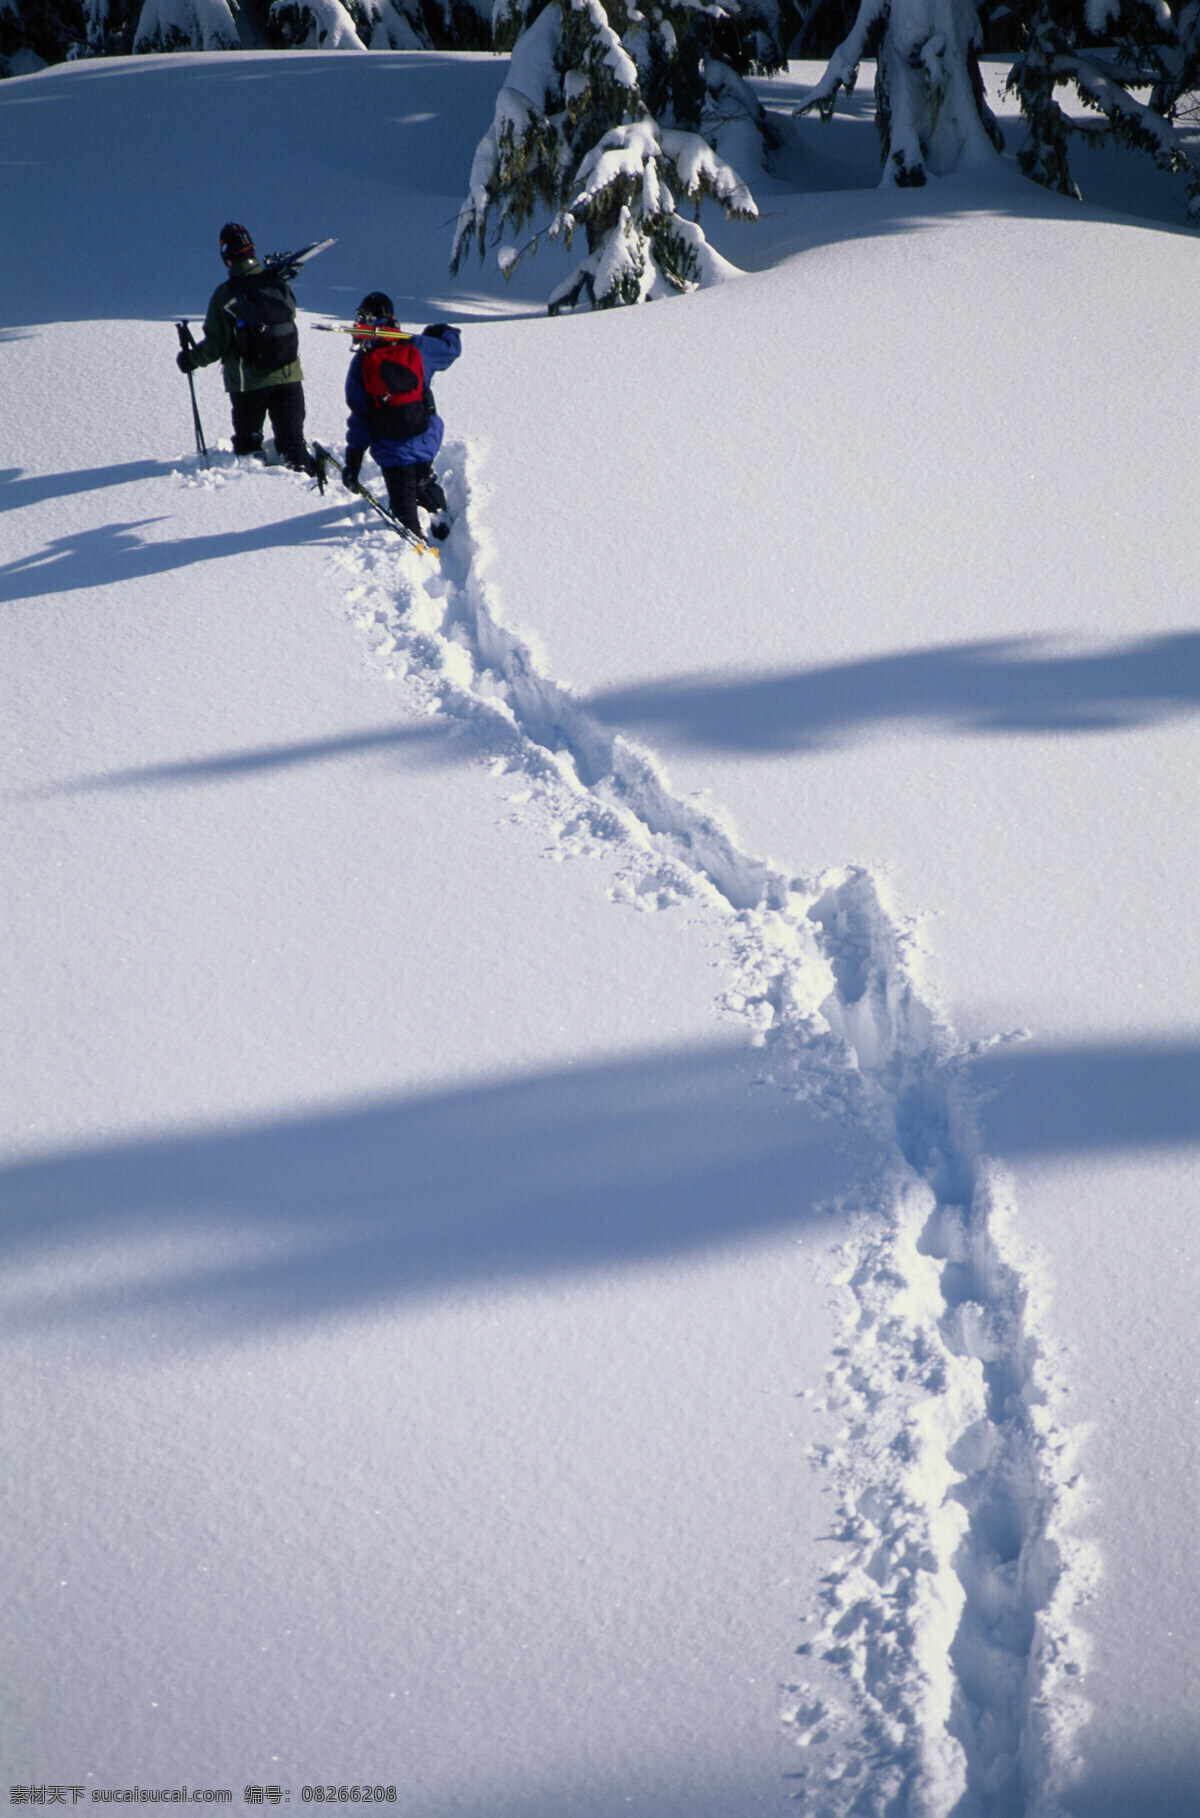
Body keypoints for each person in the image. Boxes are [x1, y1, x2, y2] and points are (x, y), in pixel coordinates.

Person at [177, 222, 314, 472]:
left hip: (248, 384)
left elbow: (216, 345)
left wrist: (189, 359)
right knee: (293, 447)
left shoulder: (226, 295)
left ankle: (254, 504)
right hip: (288, 376)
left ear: (226, 256)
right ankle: (313, 491)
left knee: (249, 450)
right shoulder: (279, 283)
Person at [342, 293, 461, 539]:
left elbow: (360, 417)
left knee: (403, 519)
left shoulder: (362, 362)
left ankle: (415, 548)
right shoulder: (419, 346)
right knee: (422, 480)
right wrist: (443, 330)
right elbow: (452, 349)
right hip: (424, 438)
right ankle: (439, 516)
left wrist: (353, 462)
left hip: (391, 452)